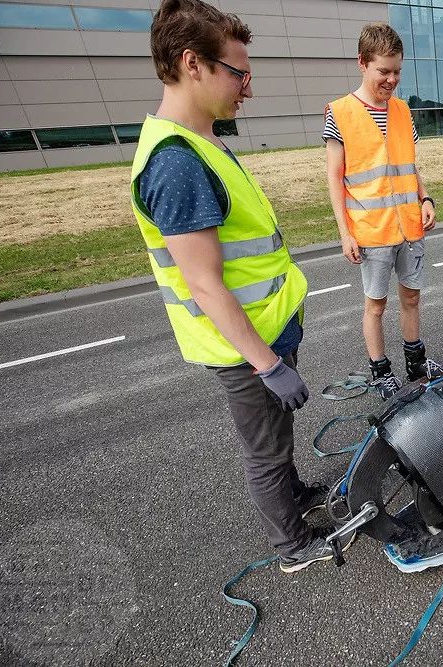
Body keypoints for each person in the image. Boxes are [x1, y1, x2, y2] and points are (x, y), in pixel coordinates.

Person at [130, 0, 350, 574]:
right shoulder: (176, 161)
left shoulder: (201, 141)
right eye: (238, 72)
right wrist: (267, 365)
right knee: (265, 451)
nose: (247, 87)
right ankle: (292, 545)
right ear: (192, 63)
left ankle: (295, 497)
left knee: (277, 442)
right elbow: (204, 284)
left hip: (269, 327)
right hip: (245, 347)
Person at [325, 23, 439, 400]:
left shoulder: (404, 111)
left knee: (412, 298)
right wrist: (345, 234)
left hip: (409, 226)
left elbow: (410, 166)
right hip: (371, 230)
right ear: (362, 63)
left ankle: (416, 361)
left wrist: (426, 199)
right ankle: (380, 371)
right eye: (384, 71)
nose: (392, 79)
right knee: (376, 306)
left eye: (397, 71)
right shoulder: (340, 113)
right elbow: (334, 180)